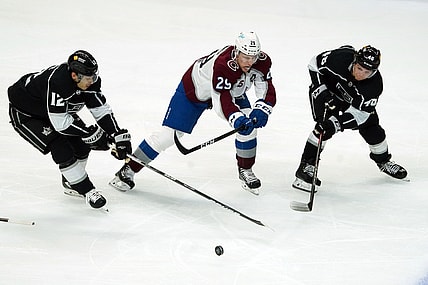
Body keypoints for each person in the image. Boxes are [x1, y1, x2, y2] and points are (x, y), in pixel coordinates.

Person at [109, 31, 276, 195]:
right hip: (196, 91)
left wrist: (262, 109)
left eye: (254, 57)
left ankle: (245, 169)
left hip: (233, 90)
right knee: (168, 136)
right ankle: (128, 169)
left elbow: (265, 86)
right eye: (246, 57)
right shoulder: (223, 65)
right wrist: (237, 119)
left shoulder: (261, 61)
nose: (250, 62)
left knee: (250, 128)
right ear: (237, 52)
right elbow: (221, 101)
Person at [8, 50, 132, 209]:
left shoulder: (89, 81)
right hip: (28, 114)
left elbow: (99, 109)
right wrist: (88, 133)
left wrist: (115, 133)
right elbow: (60, 124)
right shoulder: (58, 83)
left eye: (94, 76)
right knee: (60, 147)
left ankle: (71, 181)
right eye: (88, 78)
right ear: (75, 76)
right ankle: (86, 190)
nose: (92, 81)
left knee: (81, 145)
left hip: (55, 111)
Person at [292, 45, 407, 192]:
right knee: (323, 128)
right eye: (359, 68)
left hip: (351, 103)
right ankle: (306, 168)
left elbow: (361, 115)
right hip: (326, 91)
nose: (361, 74)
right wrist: (322, 90)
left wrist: (336, 124)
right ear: (355, 61)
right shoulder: (340, 58)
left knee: (373, 129)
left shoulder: (373, 86)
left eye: (367, 72)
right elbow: (314, 64)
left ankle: (383, 161)